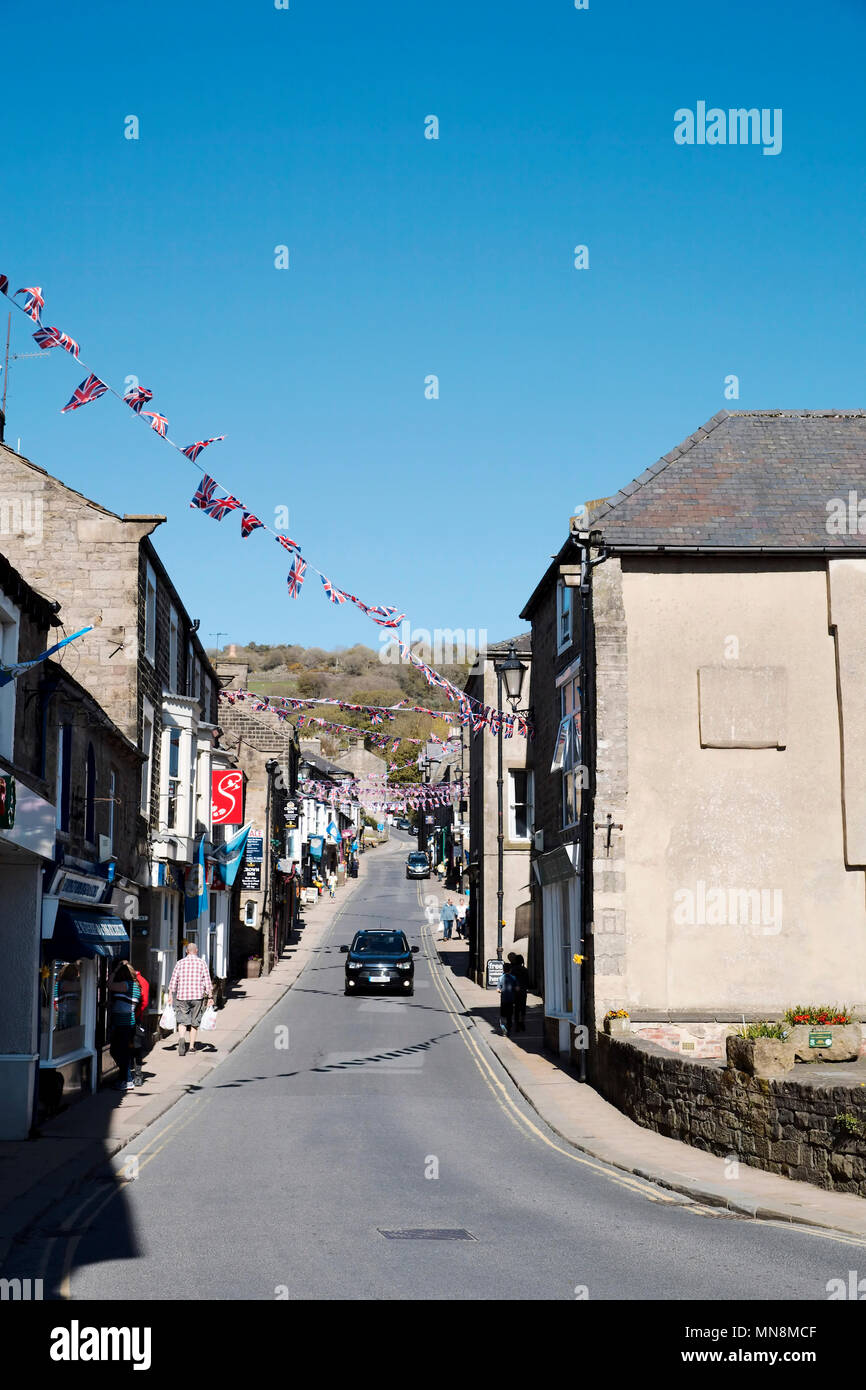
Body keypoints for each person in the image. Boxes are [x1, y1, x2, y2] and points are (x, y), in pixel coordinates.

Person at [167, 942, 214, 1057]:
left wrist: (170, 995)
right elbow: (207, 981)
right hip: (197, 997)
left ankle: (182, 1038)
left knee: (182, 1020)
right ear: (196, 951)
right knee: (194, 1021)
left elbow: (174, 980)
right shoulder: (202, 963)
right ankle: (192, 1047)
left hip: (182, 996)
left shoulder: (180, 963)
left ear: (187, 951)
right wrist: (210, 996)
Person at [108, 960, 141, 1091]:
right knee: (121, 1052)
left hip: (124, 1024)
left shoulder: (127, 985)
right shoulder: (133, 985)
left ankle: (126, 1079)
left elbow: (109, 985)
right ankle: (124, 1077)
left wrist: (115, 969)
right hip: (125, 1023)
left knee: (119, 1052)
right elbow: (125, 1002)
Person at [130, 966, 150, 1086]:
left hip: (136, 1019)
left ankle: (138, 1075)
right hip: (127, 1019)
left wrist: (135, 1015)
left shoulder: (142, 981)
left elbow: (144, 1002)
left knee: (136, 1047)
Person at [510, 953, 529, 1033]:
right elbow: (528, 982)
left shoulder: (513, 970)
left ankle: (517, 1025)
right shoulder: (525, 970)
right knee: (523, 1008)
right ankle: (522, 1022)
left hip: (515, 992)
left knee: (516, 1009)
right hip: (523, 991)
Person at [498, 960, 517, 1036]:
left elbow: (498, 989)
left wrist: (500, 990)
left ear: (503, 969)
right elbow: (517, 988)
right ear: (510, 969)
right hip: (511, 1000)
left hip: (503, 1000)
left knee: (502, 1016)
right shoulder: (513, 978)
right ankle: (508, 1030)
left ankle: (504, 1030)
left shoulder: (501, 978)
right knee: (509, 1016)